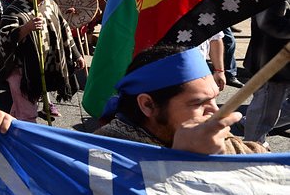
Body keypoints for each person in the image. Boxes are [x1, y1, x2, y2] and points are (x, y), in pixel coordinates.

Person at [95, 44, 267, 154]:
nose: (215, 111)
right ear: (148, 105)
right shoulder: (101, 155)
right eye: (199, 103)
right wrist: (183, 162)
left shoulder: (218, 141)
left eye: (215, 98)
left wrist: (224, 151)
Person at [0, 0, 85, 122]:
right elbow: (4, 38)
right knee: (27, 115)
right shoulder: (14, 10)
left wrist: (76, 54)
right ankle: (28, 142)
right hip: (23, 72)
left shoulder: (50, 5)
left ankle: (9, 130)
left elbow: (64, 29)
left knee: (20, 109)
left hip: (45, 68)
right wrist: (27, 28)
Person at [242, 1, 290, 144]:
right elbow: (267, 22)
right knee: (265, 111)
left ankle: (251, 124)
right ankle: (253, 149)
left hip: (280, 62)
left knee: (266, 112)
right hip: (272, 62)